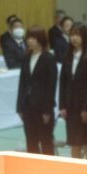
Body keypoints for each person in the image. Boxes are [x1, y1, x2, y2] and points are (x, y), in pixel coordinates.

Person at [59, 23, 87, 160]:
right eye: (72, 35)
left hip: (86, 107)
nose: (74, 38)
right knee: (74, 141)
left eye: (77, 35)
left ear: (84, 37)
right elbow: (63, 82)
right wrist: (62, 105)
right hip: (71, 106)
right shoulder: (67, 56)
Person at [16, 26, 58, 155]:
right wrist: (19, 107)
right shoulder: (26, 57)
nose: (30, 41)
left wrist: (47, 110)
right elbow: (22, 83)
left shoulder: (48, 58)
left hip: (42, 106)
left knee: (46, 140)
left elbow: (51, 86)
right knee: (31, 140)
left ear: (40, 39)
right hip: (28, 105)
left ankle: (49, 168)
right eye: (28, 38)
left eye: (33, 38)